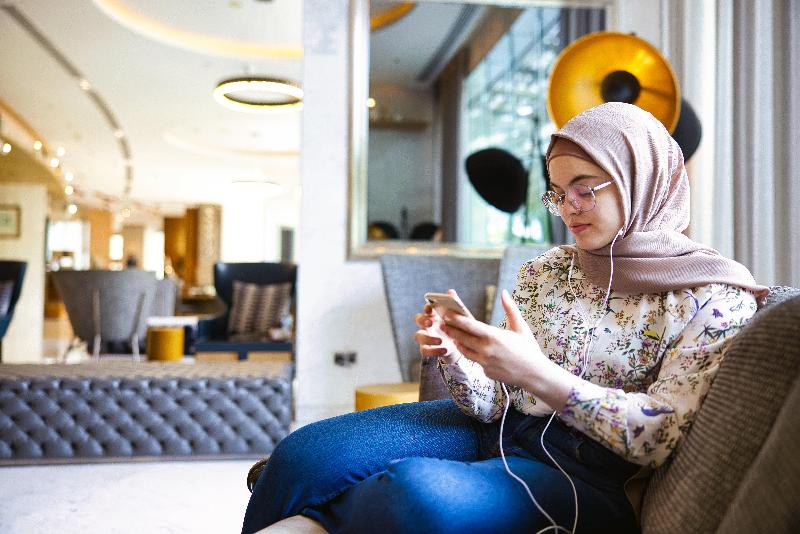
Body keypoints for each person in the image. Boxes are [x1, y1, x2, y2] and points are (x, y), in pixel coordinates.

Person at [241, 102, 768, 534]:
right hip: (494, 431)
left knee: (416, 494)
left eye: (585, 188)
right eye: (557, 193)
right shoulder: (549, 270)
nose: (569, 207)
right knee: (301, 453)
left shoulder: (713, 297)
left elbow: (658, 437)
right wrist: (458, 356)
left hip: (588, 478)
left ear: (641, 178)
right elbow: (493, 402)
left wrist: (536, 373)